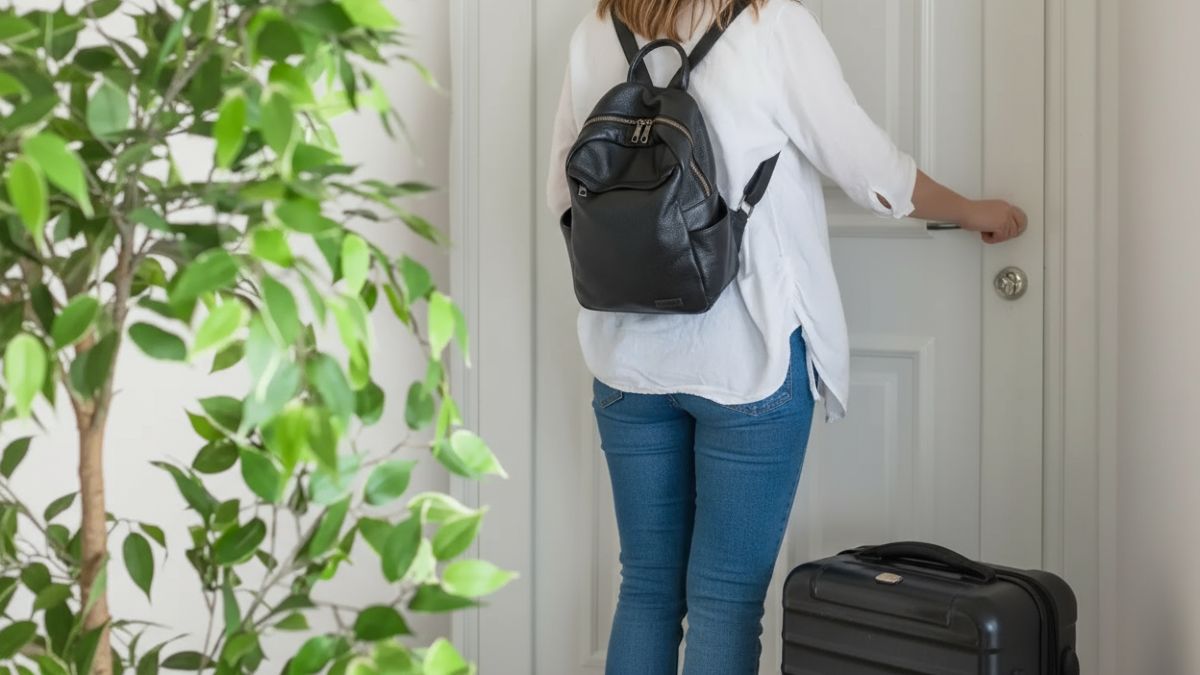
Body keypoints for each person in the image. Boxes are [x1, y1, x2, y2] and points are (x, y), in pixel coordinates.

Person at [544, 1, 1028, 673]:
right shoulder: (771, 27)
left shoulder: (596, 32)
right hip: (749, 351)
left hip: (625, 359)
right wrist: (975, 210)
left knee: (648, 586)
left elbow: (562, 194)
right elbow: (874, 173)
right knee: (723, 599)